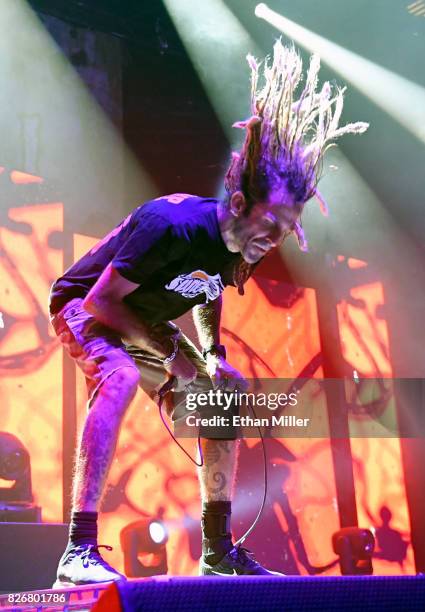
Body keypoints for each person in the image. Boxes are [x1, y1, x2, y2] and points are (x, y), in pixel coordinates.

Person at [49, 40, 368, 586]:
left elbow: (207, 289)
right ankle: (77, 549)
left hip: (144, 323)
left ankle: (218, 552)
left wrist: (212, 354)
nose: (275, 241)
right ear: (239, 204)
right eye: (270, 225)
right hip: (87, 306)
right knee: (121, 372)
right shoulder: (170, 224)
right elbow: (102, 302)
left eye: (287, 232)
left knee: (226, 389)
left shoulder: (235, 248)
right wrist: (175, 354)